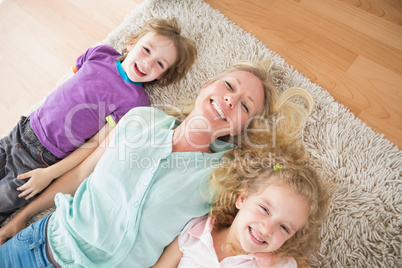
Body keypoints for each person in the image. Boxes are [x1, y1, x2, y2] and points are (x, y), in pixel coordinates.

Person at [0, 60, 314, 267]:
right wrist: (19, 219)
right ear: (206, 87)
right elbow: (82, 173)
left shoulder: (224, 174)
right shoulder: (140, 119)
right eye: (229, 86)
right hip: (39, 245)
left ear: (241, 128)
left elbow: (262, 217)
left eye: (245, 105)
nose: (231, 99)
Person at [0, 17, 197, 224]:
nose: (148, 63)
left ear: (162, 76)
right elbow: (71, 82)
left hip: (41, 158)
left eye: (160, 64)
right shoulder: (100, 53)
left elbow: (92, 146)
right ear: (132, 43)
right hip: (21, 130)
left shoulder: (134, 102)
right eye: (146, 50)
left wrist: (49, 174)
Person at [153, 145, 331, 267]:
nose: (268, 229)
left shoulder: (280, 264)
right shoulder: (194, 232)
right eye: (264, 209)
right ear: (242, 199)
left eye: (284, 227)